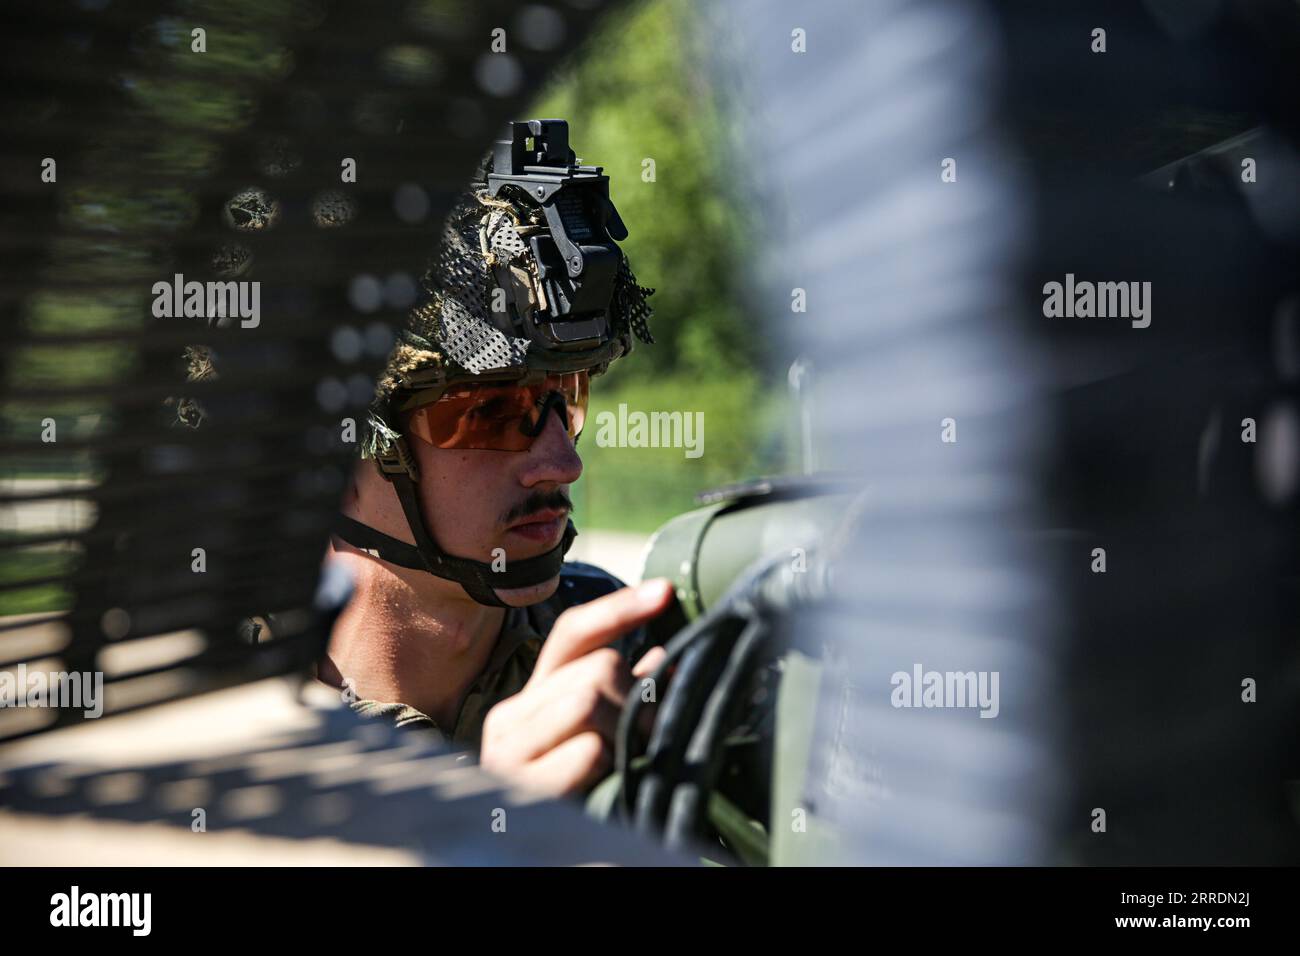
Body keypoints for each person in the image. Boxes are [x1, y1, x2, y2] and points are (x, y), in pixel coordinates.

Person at [320, 120, 669, 798]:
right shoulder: (229, 732)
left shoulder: (628, 656)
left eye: (566, 397)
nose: (562, 464)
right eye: (489, 413)